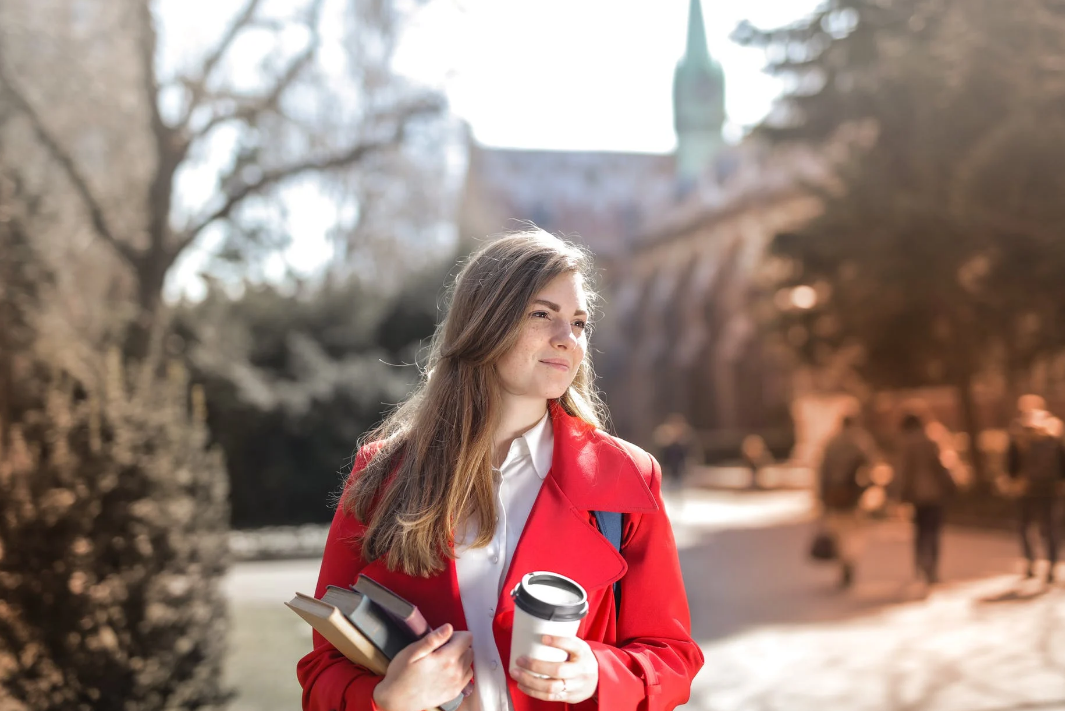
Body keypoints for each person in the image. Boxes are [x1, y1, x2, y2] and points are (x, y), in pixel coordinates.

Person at [297, 230, 704, 711]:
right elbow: (323, 669)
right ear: (484, 324)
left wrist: (599, 671)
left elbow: (673, 658)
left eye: (579, 322)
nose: (567, 339)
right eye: (542, 314)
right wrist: (384, 699)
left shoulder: (627, 477)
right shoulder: (383, 474)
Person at [1005, 397, 1065, 584]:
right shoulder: (1053, 433)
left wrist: (1013, 482)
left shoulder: (1019, 435)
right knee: (1050, 528)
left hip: (1026, 489)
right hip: (1050, 489)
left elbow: (1011, 465)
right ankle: (1052, 566)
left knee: (1025, 527)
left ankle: (1031, 562)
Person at [891, 413, 955, 586]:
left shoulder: (905, 444)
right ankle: (932, 566)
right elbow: (942, 467)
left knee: (920, 531)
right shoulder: (932, 440)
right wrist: (950, 485)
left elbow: (903, 472)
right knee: (933, 531)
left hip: (917, 496)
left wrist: (900, 494)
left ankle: (921, 563)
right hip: (935, 494)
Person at [817, 414, 871, 589]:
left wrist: (822, 496)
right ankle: (849, 562)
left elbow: (822, 471)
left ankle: (843, 562)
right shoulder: (860, 442)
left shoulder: (831, 443)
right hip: (852, 495)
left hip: (833, 495)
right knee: (852, 531)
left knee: (838, 531)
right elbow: (870, 466)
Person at [653, 413, 693, 491]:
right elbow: (662, 456)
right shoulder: (666, 444)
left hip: (679, 471)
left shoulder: (683, 443)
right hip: (668, 471)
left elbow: (687, 456)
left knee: (677, 490)